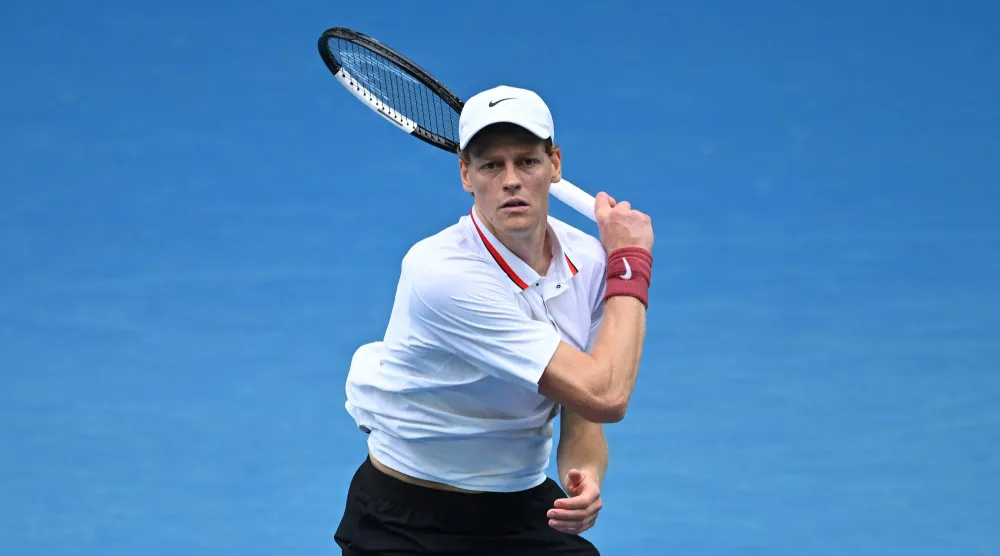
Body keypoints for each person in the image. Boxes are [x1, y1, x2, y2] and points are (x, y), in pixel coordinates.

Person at [333, 84, 655, 555]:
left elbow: (582, 407)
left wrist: (581, 474)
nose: (510, 179)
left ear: (555, 164)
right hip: (406, 522)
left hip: (519, 509)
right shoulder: (442, 273)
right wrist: (630, 264)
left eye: (526, 160)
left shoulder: (588, 261)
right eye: (490, 165)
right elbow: (605, 394)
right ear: (466, 173)